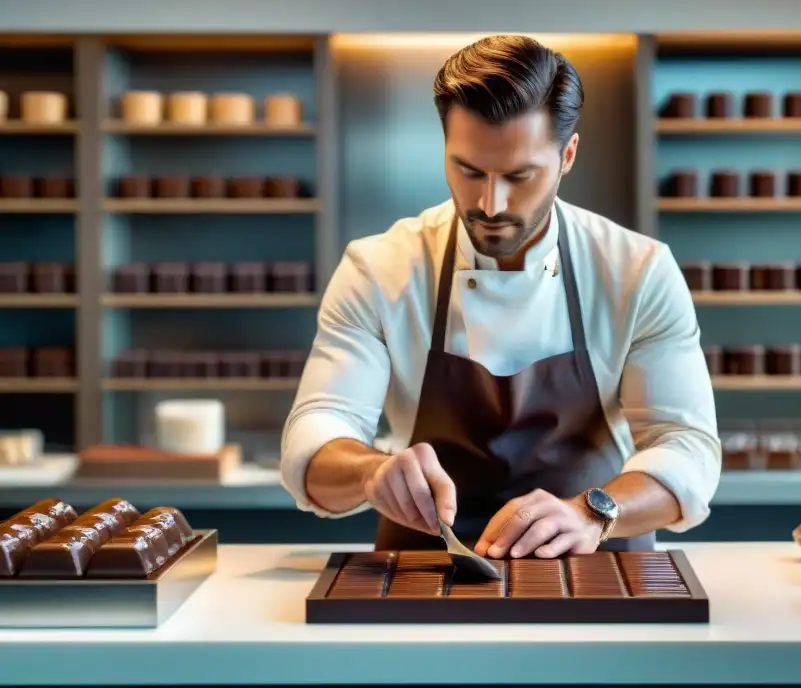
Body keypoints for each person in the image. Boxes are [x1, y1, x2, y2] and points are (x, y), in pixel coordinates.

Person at [280, 34, 720, 559]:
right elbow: (317, 429)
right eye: (468, 171)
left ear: (568, 155)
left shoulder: (637, 271)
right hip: (424, 572)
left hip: (595, 568)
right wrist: (372, 471)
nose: (490, 203)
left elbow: (687, 448)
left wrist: (594, 511)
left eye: (519, 175)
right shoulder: (379, 268)